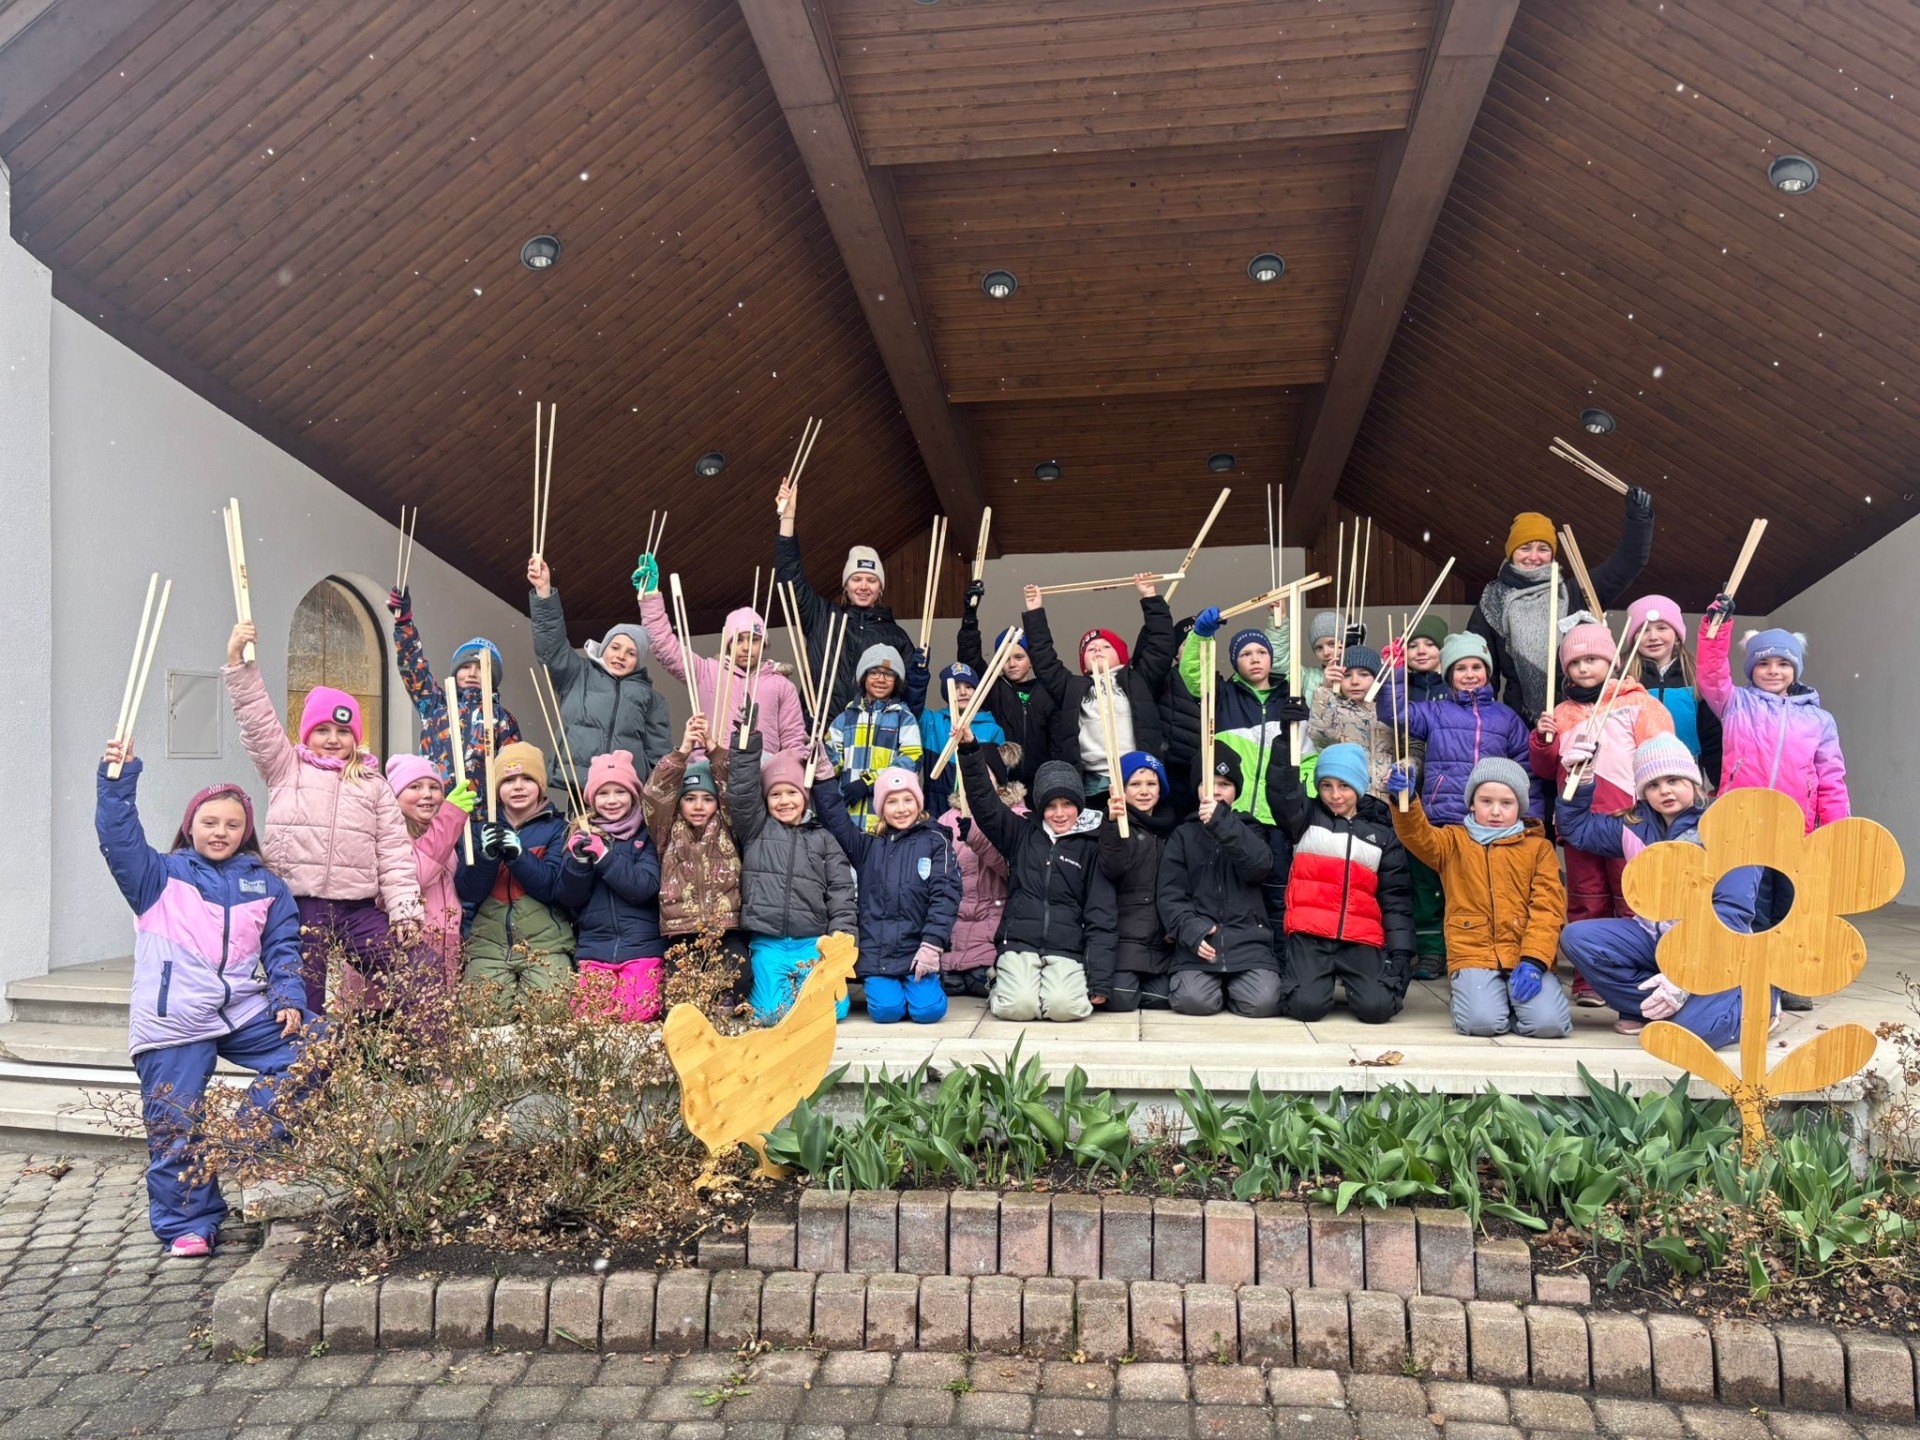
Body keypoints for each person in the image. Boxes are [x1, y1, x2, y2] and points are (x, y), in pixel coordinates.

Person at [97, 741, 309, 1258]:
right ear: (191, 826)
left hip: (240, 1008)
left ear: (246, 831)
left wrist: (287, 995)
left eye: (232, 824)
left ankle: (244, 1137)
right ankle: (189, 1223)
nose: (220, 832)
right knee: (175, 1123)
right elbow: (117, 837)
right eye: (210, 822)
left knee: (319, 1047)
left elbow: (283, 945)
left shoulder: (266, 883)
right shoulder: (158, 876)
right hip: (173, 1015)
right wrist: (116, 783)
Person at [223, 622, 422, 1015]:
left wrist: (404, 910)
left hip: (357, 908)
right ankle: (307, 1072)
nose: (333, 739)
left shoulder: (373, 784)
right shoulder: (286, 767)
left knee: (419, 969)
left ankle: (417, 1058)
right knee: (301, 998)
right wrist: (238, 664)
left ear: (356, 737)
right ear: (307, 734)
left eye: (344, 731)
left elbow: (396, 854)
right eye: (323, 730)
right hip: (297, 904)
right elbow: (258, 722)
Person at [1556, 734, 1767, 1045]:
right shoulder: (1635, 824)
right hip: (1654, 938)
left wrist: (1686, 974)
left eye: (1673, 779)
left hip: (1717, 950)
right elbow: (1577, 829)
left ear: (1693, 781)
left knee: (1700, 1032)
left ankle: (1762, 1000)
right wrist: (1581, 780)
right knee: (1578, 938)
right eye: (1653, 785)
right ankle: (1653, 1007)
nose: (1664, 790)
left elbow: (1732, 913)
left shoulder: (1728, 825)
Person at [1697, 601, 1849, 1012]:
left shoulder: (1819, 721)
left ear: (1795, 669)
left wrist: (1837, 831)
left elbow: (1832, 779)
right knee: (1753, 903)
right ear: (1752, 670)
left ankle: (1792, 976)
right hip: (1744, 824)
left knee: (1793, 903)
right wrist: (1715, 628)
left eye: (1784, 663)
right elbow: (1711, 674)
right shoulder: (1734, 704)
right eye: (1764, 664)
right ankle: (1757, 981)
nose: (1774, 671)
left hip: (1796, 829)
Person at [1376, 632, 1537, 980]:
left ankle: (1473, 954)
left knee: (1476, 892)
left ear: (1488, 672)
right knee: (1432, 890)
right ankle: (1434, 953)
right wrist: (1396, 673)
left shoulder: (1507, 719)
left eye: (1477, 666)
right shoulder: (1434, 711)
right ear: (1448, 674)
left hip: (1490, 823)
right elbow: (1395, 714)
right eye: (1460, 667)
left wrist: (1530, 816)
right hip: (1444, 816)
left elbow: (1525, 769)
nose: (1469, 674)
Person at [1387, 757, 1570, 1038]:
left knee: (1548, 1026)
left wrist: (1535, 960)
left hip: (1524, 954)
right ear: (1472, 802)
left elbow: (1548, 909)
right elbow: (1417, 836)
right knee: (1482, 1024)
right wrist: (1407, 800)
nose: (1495, 811)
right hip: (1473, 953)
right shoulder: (1452, 841)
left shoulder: (1539, 849)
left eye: (1506, 803)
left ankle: (1511, 998)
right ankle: (1480, 998)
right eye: (1486, 801)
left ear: (1520, 806)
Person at [1531, 620, 1675, 934]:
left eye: (1591, 660)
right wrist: (1543, 741)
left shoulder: (1640, 703)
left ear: (1612, 663)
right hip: (1577, 819)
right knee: (1586, 897)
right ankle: (1589, 975)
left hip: (1630, 820)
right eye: (1575, 663)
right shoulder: (1559, 712)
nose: (1583, 668)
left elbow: (1662, 760)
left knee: (1632, 896)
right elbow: (1544, 770)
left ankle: (1635, 968)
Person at [957, 749, 1119, 1022]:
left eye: (1067, 804)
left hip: (1067, 948)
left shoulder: (1093, 844)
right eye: (1050, 805)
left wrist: (1100, 980)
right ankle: (999, 982)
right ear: (1040, 807)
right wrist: (970, 750)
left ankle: (1044, 988)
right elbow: (984, 802)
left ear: (1078, 805)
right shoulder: (1021, 833)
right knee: (1017, 1008)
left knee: (1065, 1009)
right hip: (1020, 942)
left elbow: (1101, 913)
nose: (1059, 813)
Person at [1467, 491, 1655, 724]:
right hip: (1519, 723)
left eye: (1543, 549)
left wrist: (1639, 519)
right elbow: (1480, 672)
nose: (1534, 557)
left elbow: (1628, 563)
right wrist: (1485, 726)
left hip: (1580, 718)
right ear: (1511, 552)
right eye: (1525, 547)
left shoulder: (1575, 592)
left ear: (1553, 554)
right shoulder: (1492, 603)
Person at [1179, 609, 1312, 928]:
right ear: (1234, 662)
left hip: (1279, 816)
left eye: (1262, 652)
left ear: (1271, 658)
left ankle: (1281, 964)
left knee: (1280, 894)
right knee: (1236, 891)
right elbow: (1194, 675)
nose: (1255, 659)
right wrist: (1201, 635)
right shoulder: (1222, 695)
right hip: (1234, 815)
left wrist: (1302, 801)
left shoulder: (1292, 698)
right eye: (1245, 653)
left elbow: (1308, 755)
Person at [1268, 741, 1415, 1024]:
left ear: (1359, 787)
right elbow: (1281, 790)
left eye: (1344, 786)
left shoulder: (1383, 833)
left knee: (1379, 1008)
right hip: (1310, 931)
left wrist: (1401, 953)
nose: (1335, 795)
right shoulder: (1304, 817)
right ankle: (1312, 982)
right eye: (1326, 785)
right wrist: (1286, 740)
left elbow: (1396, 898)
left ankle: (1355, 983)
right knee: (1305, 1007)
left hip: (1359, 935)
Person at [815, 763, 961, 1025]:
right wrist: (824, 777)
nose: (901, 808)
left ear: (919, 803)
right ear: (881, 808)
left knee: (928, 1012)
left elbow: (945, 897)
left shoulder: (935, 842)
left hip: (918, 952)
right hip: (878, 954)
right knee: (886, 1012)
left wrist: (932, 945)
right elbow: (835, 819)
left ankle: (923, 989)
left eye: (908, 800)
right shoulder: (867, 846)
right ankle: (895, 993)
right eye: (892, 802)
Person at [730, 733, 858, 1024]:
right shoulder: (756, 830)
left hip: (812, 942)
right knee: (767, 1014)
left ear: (805, 796)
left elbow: (841, 892)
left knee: (834, 1010)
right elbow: (740, 794)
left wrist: (840, 942)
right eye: (775, 794)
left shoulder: (824, 838)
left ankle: (802, 999)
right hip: (769, 943)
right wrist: (746, 748)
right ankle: (794, 1002)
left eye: (792, 793)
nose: (784, 801)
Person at [774, 473, 919, 717]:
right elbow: (789, 579)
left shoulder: (897, 637)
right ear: (846, 585)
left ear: (880, 588)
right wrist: (787, 518)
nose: (864, 586)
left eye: (871, 580)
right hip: (817, 733)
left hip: (868, 740)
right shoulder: (821, 616)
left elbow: (908, 698)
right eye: (856, 579)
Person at [1020, 577, 1177, 800]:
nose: (1097, 650)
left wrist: (1149, 596)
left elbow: (1161, 646)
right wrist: (1035, 611)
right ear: (1083, 661)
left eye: (1106, 646)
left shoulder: (1138, 680)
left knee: (1137, 830)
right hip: (1093, 780)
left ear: (1121, 655)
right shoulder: (1072, 687)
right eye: (1090, 648)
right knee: (1100, 832)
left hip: (1136, 774)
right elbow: (1044, 661)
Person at [1158, 745, 1283, 1018]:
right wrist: (1191, 930)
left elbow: (1259, 867)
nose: (1215, 791)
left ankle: (1235, 989)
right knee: (1193, 1001)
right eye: (1207, 784)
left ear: (1236, 790)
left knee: (1264, 1003)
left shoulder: (1251, 829)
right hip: (1201, 945)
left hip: (1248, 943)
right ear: (1196, 789)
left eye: (1224, 784)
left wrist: (1221, 823)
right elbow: (1170, 894)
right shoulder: (1182, 835)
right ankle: (1218, 989)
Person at [528, 554, 672, 781]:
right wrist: (544, 592)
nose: (621, 656)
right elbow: (551, 646)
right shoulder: (577, 674)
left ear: (638, 661)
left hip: (625, 791)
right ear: (603, 647)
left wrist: (656, 797)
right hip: (579, 784)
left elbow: (659, 757)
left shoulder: (652, 699)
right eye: (615, 647)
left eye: (631, 652)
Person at [456, 741, 575, 1000]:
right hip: (489, 944)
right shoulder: (478, 829)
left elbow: (553, 888)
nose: (518, 786)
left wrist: (519, 856)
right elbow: (468, 891)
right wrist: (486, 857)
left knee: (550, 1009)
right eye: (509, 780)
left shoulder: (558, 828)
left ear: (540, 786)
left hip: (545, 944)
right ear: (498, 789)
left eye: (527, 779)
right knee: (481, 1012)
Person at [637, 574, 807, 753]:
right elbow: (665, 647)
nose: (746, 647)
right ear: (727, 644)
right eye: (738, 640)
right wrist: (650, 597)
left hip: (761, 767)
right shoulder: (707, 672)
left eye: (754, 640)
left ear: (764, 644)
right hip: (710, 762)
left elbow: (793, 739)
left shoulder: (782, 684)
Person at [557, 750, 665, 1021]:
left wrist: (605, 856)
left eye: (620, 792)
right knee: (589, 1015)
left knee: (638, 1012)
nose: (612, 800)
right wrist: (578, 862)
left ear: (633, 795)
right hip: (596, 948)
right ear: (592, 799)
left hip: (642, 947)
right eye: (604, 793)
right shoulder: (580, 834)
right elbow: (571, 898)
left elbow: (644, 887)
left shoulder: (647, 835)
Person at [642, 716, 746, 988]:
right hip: (681, 930)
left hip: (726, 927)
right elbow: (656, 793)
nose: (698, 806)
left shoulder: (728, 824)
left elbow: (733, 782)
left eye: (707, 798)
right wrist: (684, 749)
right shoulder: (667, 827)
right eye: (690, 798)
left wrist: (711, 746)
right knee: (678, 999)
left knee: (739, 981)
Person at [385, 587, 521, 785]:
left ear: (493, 677)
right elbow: (413, 665)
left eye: (481, 668)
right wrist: (404, 622)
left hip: (482, 813)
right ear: (456, 672)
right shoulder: (434, 703)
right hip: (436, 808)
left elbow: (513, 768)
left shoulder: (502, 719)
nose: (472, 673)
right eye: (465, 667)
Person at [935, 743, 1023, 1001]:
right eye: (969, 774)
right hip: (954, 930)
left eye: (984, 773)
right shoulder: (946, 819)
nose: (975, 781)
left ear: (999, 779)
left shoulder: (1017, 816)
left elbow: (1015, 868)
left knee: (981, 981)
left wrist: (977, 836)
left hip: (993, 929)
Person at [384, 756, 477, 994]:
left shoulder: (445, 835)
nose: (427, 794)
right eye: (415, 787)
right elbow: (418, 877)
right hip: (402, 955)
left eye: (434, 787)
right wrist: (449, 818)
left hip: (445, 950)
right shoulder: (388, 834)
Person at [1098, 752, 1180, 1012]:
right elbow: (1112, 868)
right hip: (1125, 940)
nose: (1144, 791)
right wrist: (1112, 826)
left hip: (1162, 943)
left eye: (1151, 784)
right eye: (1134, 784)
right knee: (1121, 998)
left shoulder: (1173, 830)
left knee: (1169, 999)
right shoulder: (1113, 825)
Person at [956, 579, 1055, 790]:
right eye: (1004, 658)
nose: (1011, 664)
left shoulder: (1047, 689)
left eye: (1019, 657)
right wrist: (970, 617)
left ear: (1031, 661)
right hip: (1004, 784)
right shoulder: (995, 688)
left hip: (1043, 783)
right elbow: (970, 658)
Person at [827, 645, 924, 833]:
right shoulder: (844, 719)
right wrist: (816, 750)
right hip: (848, 817)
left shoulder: (904, 718)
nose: (881, 679)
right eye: (874, 672)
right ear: (863, 677)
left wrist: (869, 782)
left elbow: (911, 759)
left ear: (897, 681)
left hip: (886, 820)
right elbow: (830, 766)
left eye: (889, 674)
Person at [1625, 597, 1721, 787]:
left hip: (1685, 774)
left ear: (1677, 634)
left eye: (1662, 628)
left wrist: (1720, 784)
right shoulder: (1624, 679)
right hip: (1634, 775)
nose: (1653, 636)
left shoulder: (1695, 677)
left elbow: (1711, 738)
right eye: (1644, 630)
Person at [1307, 645, 1396, 801]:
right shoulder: (1333, 709)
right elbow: (1320, 736)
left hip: (1390, 803)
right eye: (1347, 675)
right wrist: (1325, 688)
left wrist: (1404, 769)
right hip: (1348, 804)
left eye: (1364, 674)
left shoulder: (1392, 711)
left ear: (1377, 679)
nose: (1355, 681)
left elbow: (1414, 749)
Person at [919, 661, 1006, 818]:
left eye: (969, 686)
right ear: (947, 693)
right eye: (956, 687)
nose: (963, 692)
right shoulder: (932, 721)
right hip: (935, 805)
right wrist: (918, 673)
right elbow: (914, 704)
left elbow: (1000, 775)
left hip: (976, 808)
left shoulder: (993, 729)